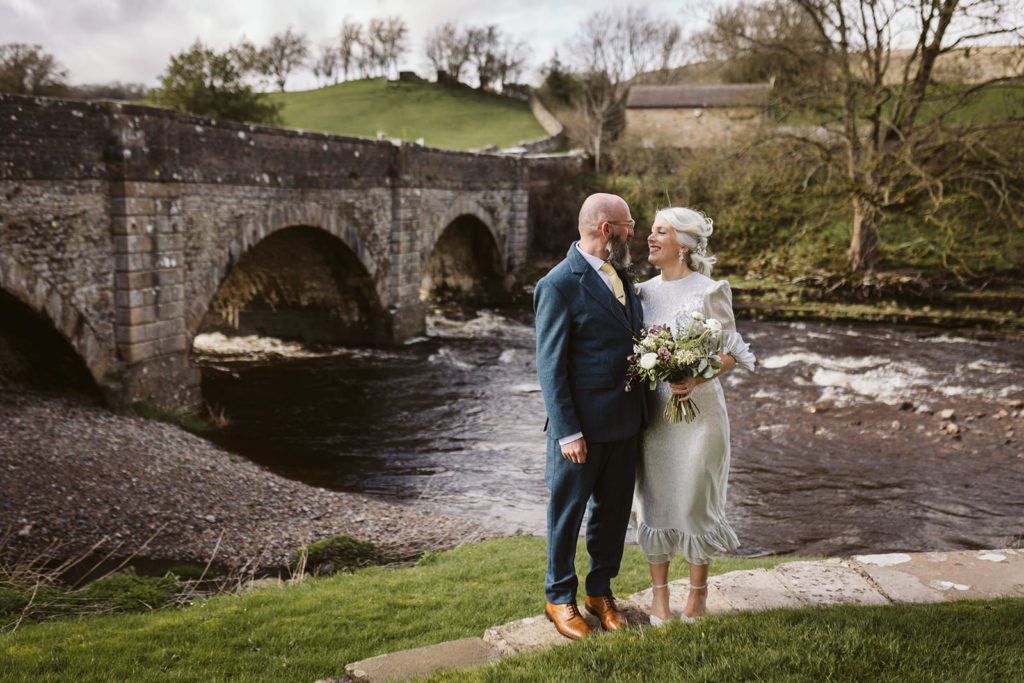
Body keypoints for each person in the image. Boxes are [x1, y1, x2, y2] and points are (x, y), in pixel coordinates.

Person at [632, 207, 755, 625]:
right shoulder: (641, 293)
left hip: (699, 416)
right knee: (655, 502)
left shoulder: (710, 290)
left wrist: (695, 378)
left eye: (660, 232)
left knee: (695, 500)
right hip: (655, 419)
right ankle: (660, 599)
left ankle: (698, 596)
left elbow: (731, 352)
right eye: (650, 231)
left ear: (682, 245)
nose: (650, 238)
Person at [533, 192, 647, 639]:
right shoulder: (558, 283)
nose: (633, 231)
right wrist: (567, 432)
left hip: (625, 423)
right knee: (567, 513)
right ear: (607, 229)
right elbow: (550, 366)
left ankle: (600, 592)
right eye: (629, 224)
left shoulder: (622, 274)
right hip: (579, 432)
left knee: (613, 513)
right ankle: (558, 597)